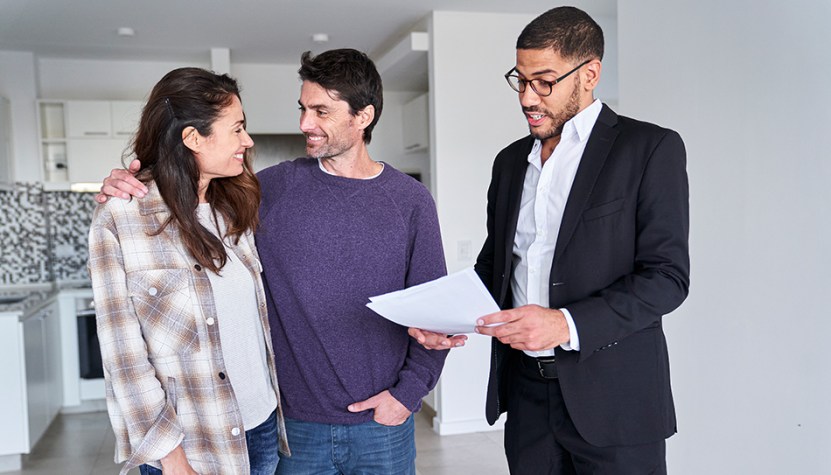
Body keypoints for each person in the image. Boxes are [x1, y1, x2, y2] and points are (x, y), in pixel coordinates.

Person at [97, 49, 448, 475]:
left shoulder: (410, 202)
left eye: (320, 111)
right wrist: (125, 181)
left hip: (382, 423)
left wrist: (408, 395)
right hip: (291, 425)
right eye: (302, 108)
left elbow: (437, 313)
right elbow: (182, 195)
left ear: (363, 116)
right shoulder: (264, 190)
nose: (304, 123)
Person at [411, 6, 690, 474]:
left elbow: (667, 278)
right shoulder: (509, 162)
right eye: (519, 80)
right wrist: (445, 318)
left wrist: (565, 324)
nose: (527, 97)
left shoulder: (650, 149)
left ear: (590, 74)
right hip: (526, 397)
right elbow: (496, 266)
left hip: (617, 403)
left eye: (544, 81)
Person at [88, 67, 289, 475]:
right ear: (193, 138)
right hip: (193, 445)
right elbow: (124, 359)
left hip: (262, 428)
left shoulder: (233, 209)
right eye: (237, 129)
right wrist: (172, 460)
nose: (247, 141)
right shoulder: (122, 218)